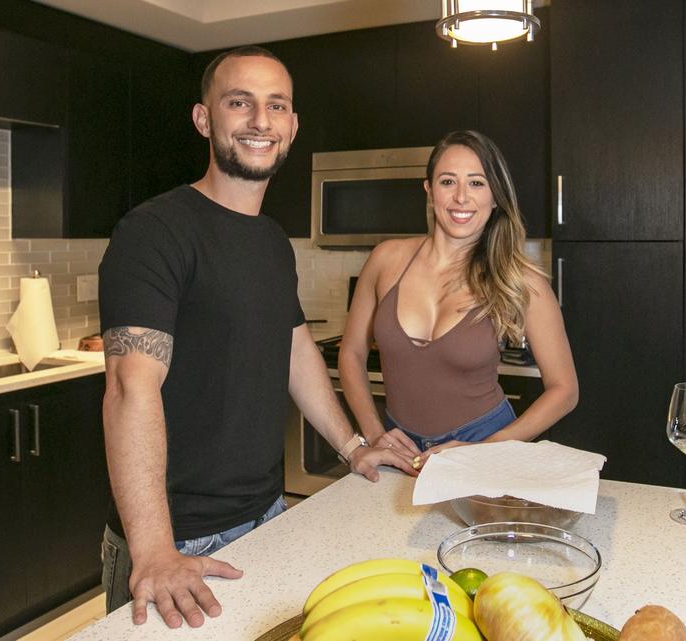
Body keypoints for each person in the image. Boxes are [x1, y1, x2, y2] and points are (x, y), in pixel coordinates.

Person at [97, 46, 417, 630]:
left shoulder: (271, 241)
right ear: (204, 119)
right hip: (179, 540)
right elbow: (128, 387)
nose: (260, 121)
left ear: (292, 125)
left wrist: (352, 447)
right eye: (239, 102)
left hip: (269, 513)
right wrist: (154, 551)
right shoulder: (154, 231)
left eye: (276, 106)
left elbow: (294, 349)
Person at [339, 130, 578, 466]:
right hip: (399, 448)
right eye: (448, 182)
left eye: (477, 183)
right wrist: (375, 433)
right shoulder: (385, 260)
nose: (461, 197)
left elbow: (564, 390)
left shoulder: (521, 278)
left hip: (484, 443)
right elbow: (350, 354)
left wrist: (485, 449)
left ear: (495, 196)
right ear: (429, 189)